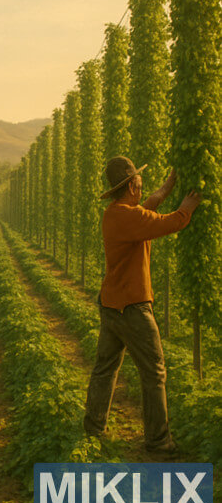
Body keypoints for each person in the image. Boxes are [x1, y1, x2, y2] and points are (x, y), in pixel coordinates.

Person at [84, 156, 201, 454]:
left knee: (105, 368)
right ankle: (159, 441)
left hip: (111, 304)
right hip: (132, 308)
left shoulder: (117, 213)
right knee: (154, 371)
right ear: (132, 185)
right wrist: (187, 208)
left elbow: (148, 208)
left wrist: (168, 186)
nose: (141, 183)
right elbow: (169, 222)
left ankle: (93, 429)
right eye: (139, 179)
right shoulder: (129, 217)